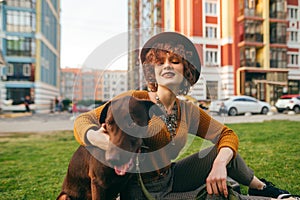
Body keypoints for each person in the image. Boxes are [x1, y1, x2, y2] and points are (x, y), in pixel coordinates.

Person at [73, 32, 295, 199]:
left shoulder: (187, 110)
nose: (167, 66)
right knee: (216, 194)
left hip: (172, 177)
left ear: (185, 70)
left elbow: (227, 134)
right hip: (143, 192)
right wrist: (101, 140)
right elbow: (83, 121)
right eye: (160, 62)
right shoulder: (134, 100)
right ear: (152, 70)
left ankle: (262, 188)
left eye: (175, 61)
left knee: (225, 151)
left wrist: (219, 164)